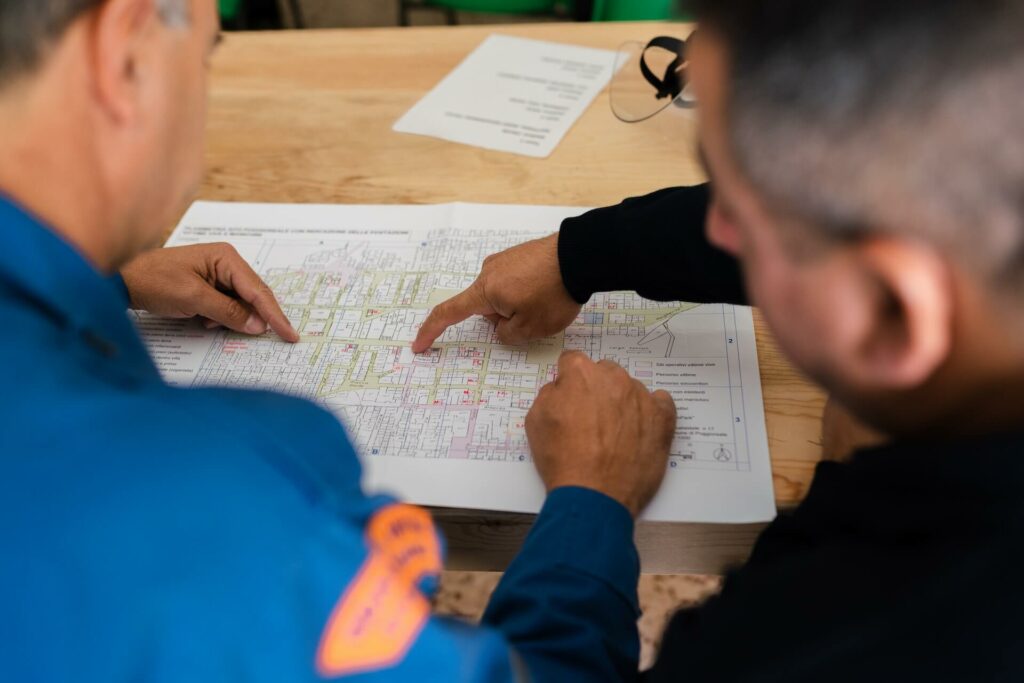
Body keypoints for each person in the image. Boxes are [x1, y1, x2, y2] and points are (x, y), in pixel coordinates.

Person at [0, 1, 679, 681]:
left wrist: (105, 271)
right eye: (206, 55)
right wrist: (593, 502)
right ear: (124, 54)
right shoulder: (228, 517)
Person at [415, 0, 1024, 680]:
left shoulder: (819, 642)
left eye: (737, 205)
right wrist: (580, 255)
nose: (719, 231)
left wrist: (590, 501)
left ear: (892, 314)